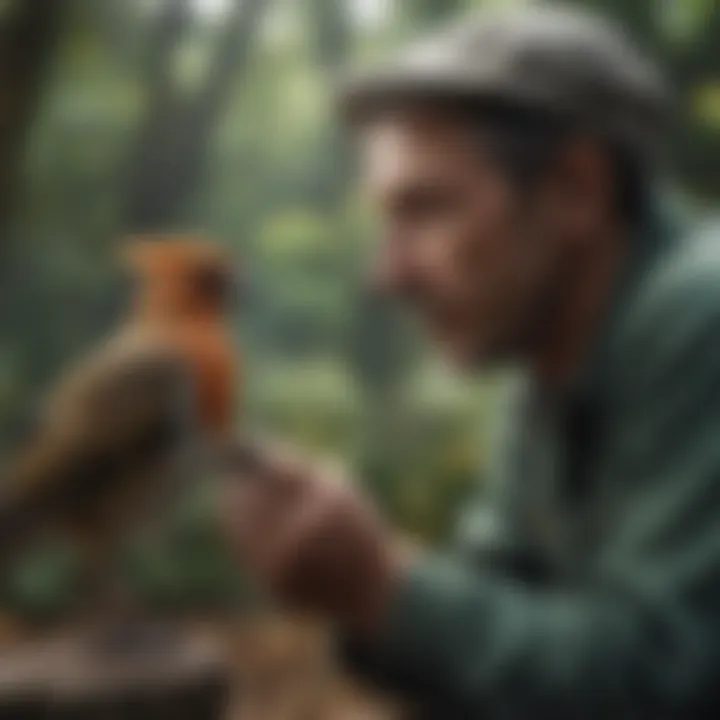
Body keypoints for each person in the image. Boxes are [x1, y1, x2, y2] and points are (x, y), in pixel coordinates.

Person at [220, 5, 720, 717]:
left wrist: (381, 590)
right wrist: (361, 585)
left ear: (578, 189)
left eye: (425, 210)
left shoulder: (703, 317)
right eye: (387, 221)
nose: (386, 275)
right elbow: (502, 607)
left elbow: (669, 677)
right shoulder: (546, 364)